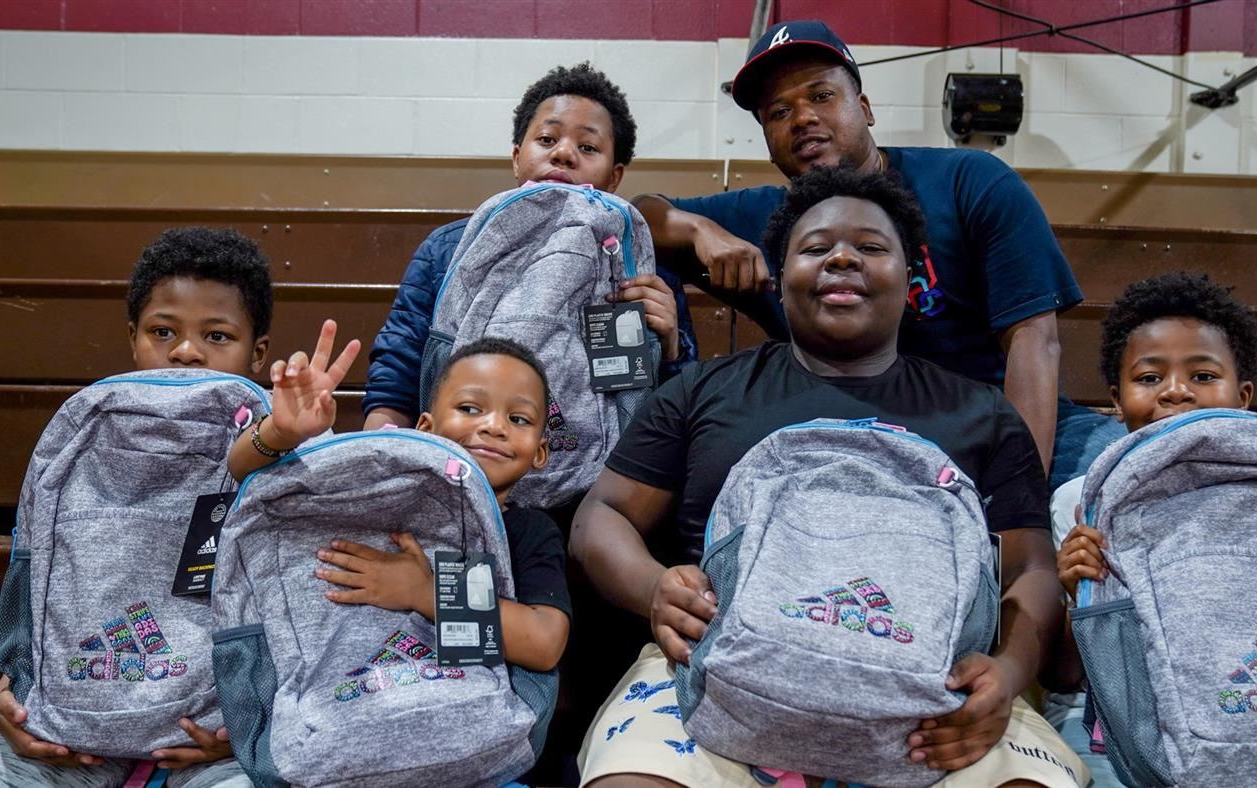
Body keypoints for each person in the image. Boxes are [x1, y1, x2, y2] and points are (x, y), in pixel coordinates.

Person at [572, 167, 1088, 787]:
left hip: (932, 683)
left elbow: (1030, 567)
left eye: (871, 248)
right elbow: (602, 516)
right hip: (714, 663)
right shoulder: (703, 391)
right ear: (782, 277)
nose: (842, 257)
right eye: (816, 249)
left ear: (909, 276)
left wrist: (1007, 672)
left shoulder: (981, 413)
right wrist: (656, 588)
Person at [634, 19, 1124, 491]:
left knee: (1134, 481)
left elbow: (1034, 342)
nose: (802, 117)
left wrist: (1019, 495)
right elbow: (637, 215)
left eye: (821, 96)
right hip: (857, 442)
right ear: (767, 142)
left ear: (865, 107)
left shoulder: (971, 182)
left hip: (1006, 427)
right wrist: (698, 229)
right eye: (778, 113)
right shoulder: (762, 216)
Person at [1043, 271, 1257, 785]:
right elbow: (1066, 674)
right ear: (1116, 400)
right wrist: (1079, 594)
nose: (1176, 392)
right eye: (1149, 377)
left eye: (1203, 376)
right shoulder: (1081, 503)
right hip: (1136, 734)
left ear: (1242, 395)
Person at [0, 227, 268, 787]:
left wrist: (260, 723)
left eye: (217, 335)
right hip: (72, 725)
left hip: (216, 733)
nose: (186, 351)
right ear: (133, 339)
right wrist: (14, 694)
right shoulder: (86, 436)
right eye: (163, 331)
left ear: (258, 354)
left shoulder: (276, 444)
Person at [364, 62, 697, 431]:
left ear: (614, 177)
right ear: (517, 158)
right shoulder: (449, 249)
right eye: (547, 140)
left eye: (588, 147)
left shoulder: (638, 268)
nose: (564, 154)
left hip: (594, 473)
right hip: (464, 454)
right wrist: (384, 446)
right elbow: (398, 371)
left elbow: (663, 406)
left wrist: (669, 351)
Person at [227, 332, 572, 673]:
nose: (495, 426)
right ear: (425, 428)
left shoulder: (530, 531)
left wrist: (423, 592)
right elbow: (247, 475)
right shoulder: (384, 494)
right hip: (330, 687)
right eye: (469, 408)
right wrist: (282, 433)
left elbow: (544, 643)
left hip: (464, 703)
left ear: (540, 452)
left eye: (518, 419)